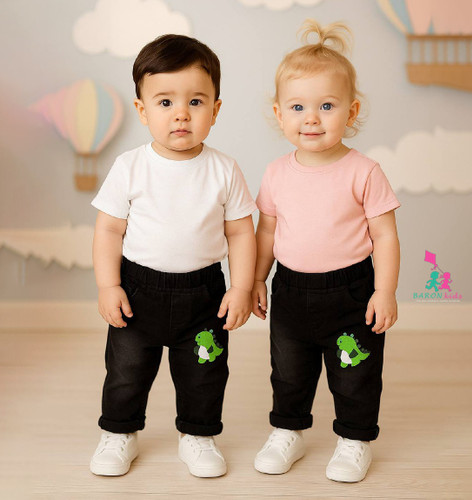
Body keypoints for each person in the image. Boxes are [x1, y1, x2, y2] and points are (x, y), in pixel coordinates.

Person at [89, 34, 256, 478]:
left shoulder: (224, 169)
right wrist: (108, 285)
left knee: (204, 371)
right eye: (165, 102)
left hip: (203, 293)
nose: (181, 113)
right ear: (142, 110)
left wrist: (241, 287)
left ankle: (198, 435)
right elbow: (108, 229)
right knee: (126, 370)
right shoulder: (130, 166)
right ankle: (119, 432)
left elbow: (241, 231)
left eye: (195, 102)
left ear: (215, 109)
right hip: (138, 290)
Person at [252, 19, 400, 483]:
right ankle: (288, 430)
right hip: (291, 291)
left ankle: (355, 439)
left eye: (326, 106)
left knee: (355, 372)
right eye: (297, 107)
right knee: (288, 371)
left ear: (351, 111)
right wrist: (256, 278)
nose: (311, 118)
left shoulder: (364, 171)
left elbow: (386, 236)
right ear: (279, 114)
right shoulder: (276, 173)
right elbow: (266, 231)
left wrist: (385, 291)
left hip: (351, 292)